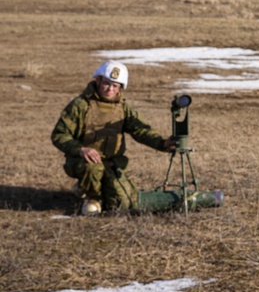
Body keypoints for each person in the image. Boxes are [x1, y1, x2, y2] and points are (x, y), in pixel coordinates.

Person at [52, 60, 176, 215]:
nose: (110, 89)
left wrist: (162, 143)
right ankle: (92, 196)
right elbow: (59, 134)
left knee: (124, 203)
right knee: (92, 171)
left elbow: (140, 130)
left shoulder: (122, 108)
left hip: (112, 164)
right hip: (83, 161)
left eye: (115, 86)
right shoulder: (80, 105)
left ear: (120, 88)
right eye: (106, 83)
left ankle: (93, 188)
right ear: (97, 80)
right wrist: (81, 149)